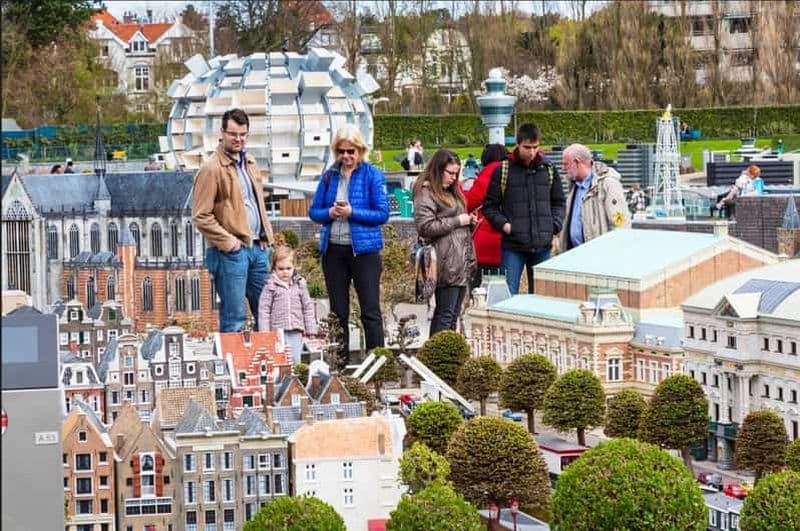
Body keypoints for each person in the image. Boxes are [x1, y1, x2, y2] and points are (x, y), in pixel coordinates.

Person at [309, 124, 389, 368]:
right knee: (338, 312)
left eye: (351, 151)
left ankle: (378, 365)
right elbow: (314, 211)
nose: (346, 156)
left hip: (364, 252)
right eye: (342, 151)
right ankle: (339, 364)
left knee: (370, 310)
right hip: (334, 250)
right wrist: (330, 212)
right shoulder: (329, 176)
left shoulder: (372, 175)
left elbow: (382, 213)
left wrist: (353, 212)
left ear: (360, 150)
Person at [192, 108, 275, 332]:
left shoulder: (250, 163)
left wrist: (266, 237)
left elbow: (257, 204)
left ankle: (263, 365)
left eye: (242, 134)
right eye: (233, 134)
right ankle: (230, 367)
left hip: (258, 249)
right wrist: (230, 243)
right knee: (234, 319)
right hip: (230, 254)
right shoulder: (210, 169)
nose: (238, 139)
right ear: (222, 133)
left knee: (267, 315)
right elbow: (201, 216)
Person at [483, 124, 565, 295]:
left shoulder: (548, 169)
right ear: (518, 145)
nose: (532, 152)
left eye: (535, 147)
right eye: (527, 147)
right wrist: (505, 225)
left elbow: (558, 202)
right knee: (508, 294)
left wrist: (554, 225)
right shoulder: (503, 170)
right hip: (513, 245)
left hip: (542, 245)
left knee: (542, 296)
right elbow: (489, 206)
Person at [414, 149, 477, 334]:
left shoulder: (452, 193)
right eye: (450, 172)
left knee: (453, 315)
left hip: (460, 261)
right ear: (438, 169)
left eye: (456, 173)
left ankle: (447, 358)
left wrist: (468, 222)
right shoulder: (425, 191)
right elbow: (425, 227)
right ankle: (437, 359)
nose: (453, 177)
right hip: (444, 261)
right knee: (445, 314)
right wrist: (458, 221)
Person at [559, 144, 630, 252]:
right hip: (574, 255)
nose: (563, 168)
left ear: (577, 162)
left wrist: (616, 252)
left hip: (599, 257)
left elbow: (620, 222)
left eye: (566, 164)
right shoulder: (574, 186)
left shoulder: (608, 185)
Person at [258, 245, 318, 365]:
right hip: (277, 331)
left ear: (294, 267)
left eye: (288, 268)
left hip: (296, 330)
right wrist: (265, 333)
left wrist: (311, 329)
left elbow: (307, 307)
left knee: (295, 360)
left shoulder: (300, 284)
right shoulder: (270, 286)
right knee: (278, 361)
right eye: (281, 269)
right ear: (274, 268)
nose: (285, 272)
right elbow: (264, 310)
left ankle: (294, 382)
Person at [462, 143, 508, 289]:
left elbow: (467, 203)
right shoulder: (512, 173)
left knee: (479, 292)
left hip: (484, 243)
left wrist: (460, 189)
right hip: (508, 242)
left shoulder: (485, 177)